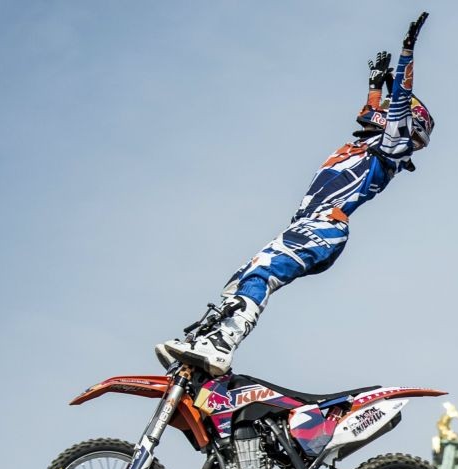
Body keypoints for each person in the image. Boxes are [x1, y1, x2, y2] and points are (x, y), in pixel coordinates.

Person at [156, 13, 435, 375]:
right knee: (244, 276)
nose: (378, 112)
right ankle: (207, 341)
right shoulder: (363, 146)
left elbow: (397, 105)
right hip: (305, 225)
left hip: (325, 226)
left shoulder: (392, 149)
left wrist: (406, 54)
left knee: (264, 272)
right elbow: (370, 113)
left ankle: (222, 346)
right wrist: (373, 86)